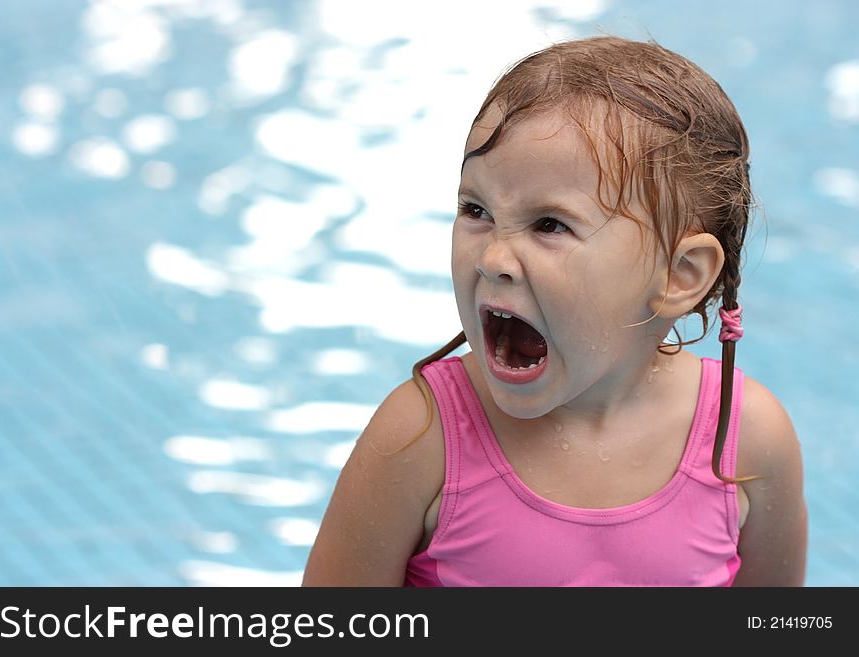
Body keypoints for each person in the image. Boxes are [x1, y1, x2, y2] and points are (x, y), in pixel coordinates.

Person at [302, 36, 808, 586]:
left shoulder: (747, 440)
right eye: (477, 210)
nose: (494, 258)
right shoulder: (421, 438)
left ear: (678, 275)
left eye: (550, 225)